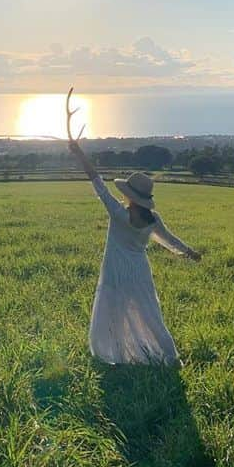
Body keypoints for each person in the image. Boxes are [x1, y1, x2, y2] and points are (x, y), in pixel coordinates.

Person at [69, 138, 201, 365]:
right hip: (139, 271)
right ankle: (169, 355)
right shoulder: (153, 219)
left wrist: (79, 153)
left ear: (130, 194)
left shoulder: (119, 214)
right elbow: (171, 241)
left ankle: (118, 354)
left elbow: (97, 182)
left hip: (115, 270)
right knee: (150, 314)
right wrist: (190, 253)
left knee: (115, 313)